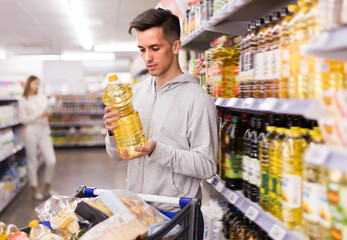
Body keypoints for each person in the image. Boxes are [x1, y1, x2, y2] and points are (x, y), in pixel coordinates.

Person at [103, 8, 218, 212]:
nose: (147, 58)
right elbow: (116, 155)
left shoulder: (197, 100)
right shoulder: (134, 94)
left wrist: (157, 150)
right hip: (136, 208)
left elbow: (206, 166)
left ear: (175, 47)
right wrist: (113, 133)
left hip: (175, 213)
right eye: (142, 49)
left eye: (155, 48)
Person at [18, 75, 60, 200]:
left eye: (38, 84)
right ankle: (35, 189)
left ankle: (47, 188)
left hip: (44, 130)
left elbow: (52, 110)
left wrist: (57, 100)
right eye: (35, 83)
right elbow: (23, 119)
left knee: (51, 161)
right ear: (29, 84)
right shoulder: (23, 99)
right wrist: (38, 116)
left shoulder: (42, 97)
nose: (37, 86)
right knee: (32, 161)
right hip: (31, 130)